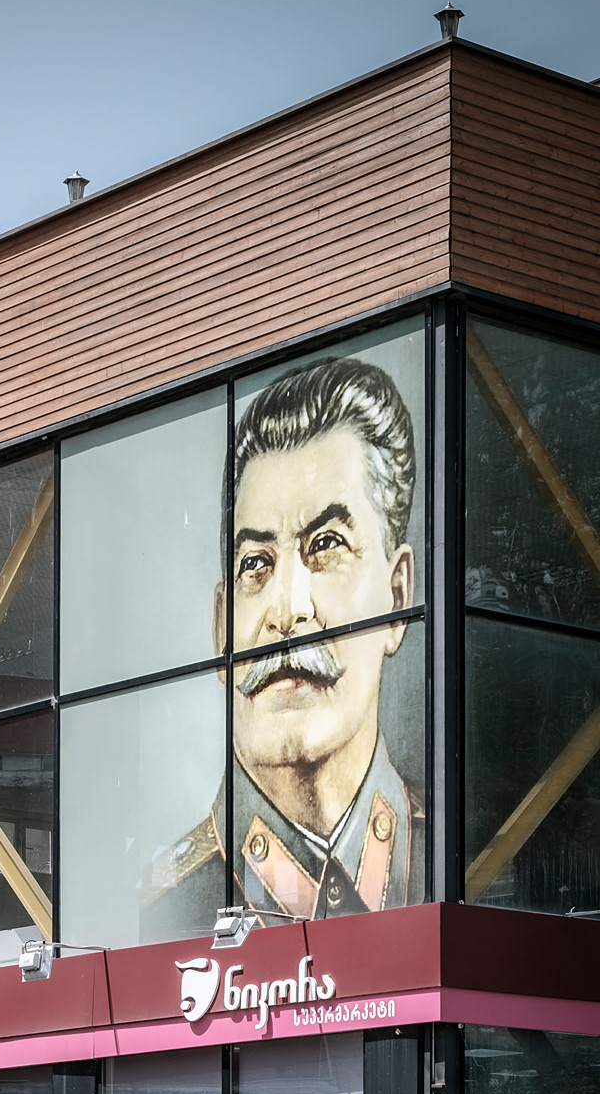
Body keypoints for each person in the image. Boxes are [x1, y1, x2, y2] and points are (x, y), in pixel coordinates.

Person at [142, 355, 424, 936]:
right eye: (256, 563)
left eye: (326, 545)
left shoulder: (462, 859)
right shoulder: (160, 913)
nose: (288, 608)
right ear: (222, 628)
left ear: (398, 598)